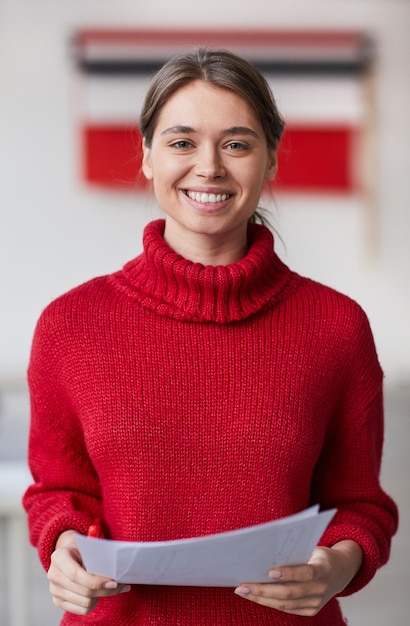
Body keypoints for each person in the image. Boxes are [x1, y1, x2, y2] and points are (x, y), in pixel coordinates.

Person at [23, 47, 398, 625]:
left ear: (270, 160)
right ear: (146, 156)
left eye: (237, 144)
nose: (209, 167)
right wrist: (64, 546)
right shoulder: (69, 326)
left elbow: (359, 506)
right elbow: (58, 495)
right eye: (181, 142)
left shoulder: (336, 326)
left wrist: (338, 565)